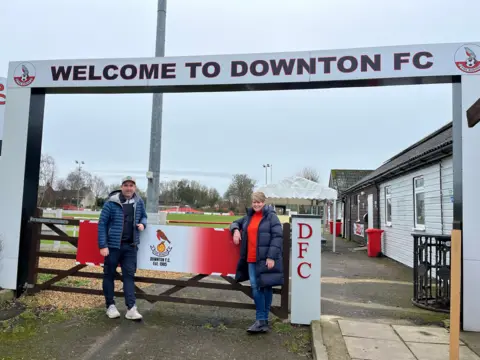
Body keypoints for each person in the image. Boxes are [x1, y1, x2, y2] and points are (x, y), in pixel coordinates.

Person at [230, 191, 284, 333]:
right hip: (251, 259)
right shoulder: (249, 217)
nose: (256, 204)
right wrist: (235, 230)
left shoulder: (272, 217)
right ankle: (263, 321)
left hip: (266, 259)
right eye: (254, 202)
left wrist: (271, 257)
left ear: (264, 202)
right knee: (256, 287)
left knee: (266, 287)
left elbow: (277, 237)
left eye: (259, 202)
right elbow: (235, 222)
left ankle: (261, 320)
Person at [98, 176, 148, 320]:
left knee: (129, 277)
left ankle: (131, 308)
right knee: (109, 275)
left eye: (131, 185)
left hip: (131, 246)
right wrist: (103, 245)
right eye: (126, 185)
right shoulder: (111, 203)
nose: (128, 188)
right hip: (113, 247)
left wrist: (143, 224)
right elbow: (102, 224)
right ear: (121, 187)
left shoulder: (139, 202)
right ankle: (110, 306)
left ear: (135, 188)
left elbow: (144, 217)